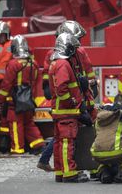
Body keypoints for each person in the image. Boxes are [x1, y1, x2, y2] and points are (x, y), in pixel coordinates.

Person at [48, 33, 89, 183]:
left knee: (59, 142)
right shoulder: (63, 64)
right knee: (67, 142)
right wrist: (72, 102)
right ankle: (69, 172)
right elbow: (62, 88)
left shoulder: (56, 62)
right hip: (66, 111)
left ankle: (60, 172)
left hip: (60, 111)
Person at [0, 35, 45, 154]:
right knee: (29, 122)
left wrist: (1, 99)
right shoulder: (33, 63)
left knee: (15, 124)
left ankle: (17, 149)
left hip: (15, 100)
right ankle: (39, 144)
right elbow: (36, 82)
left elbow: (7, 83)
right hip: (29, 99)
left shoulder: (13, 64)